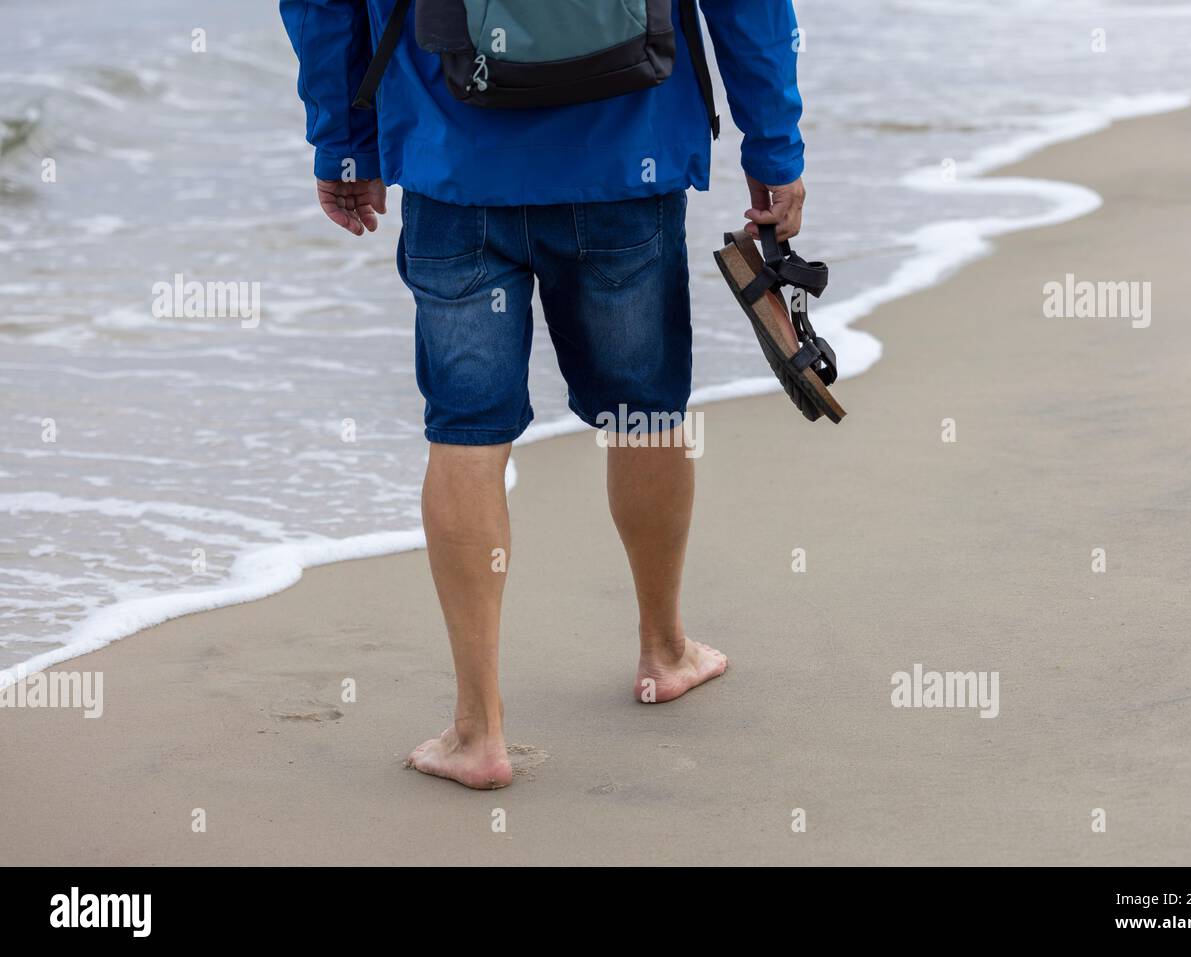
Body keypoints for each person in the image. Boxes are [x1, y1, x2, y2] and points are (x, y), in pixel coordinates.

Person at [280, 0, 807, 789]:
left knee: (466, 430)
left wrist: (344, 145)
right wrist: (774, 143)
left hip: (452, 169)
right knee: (645, 411)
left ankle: (478, 729)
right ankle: (663, 650)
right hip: (627, 160)